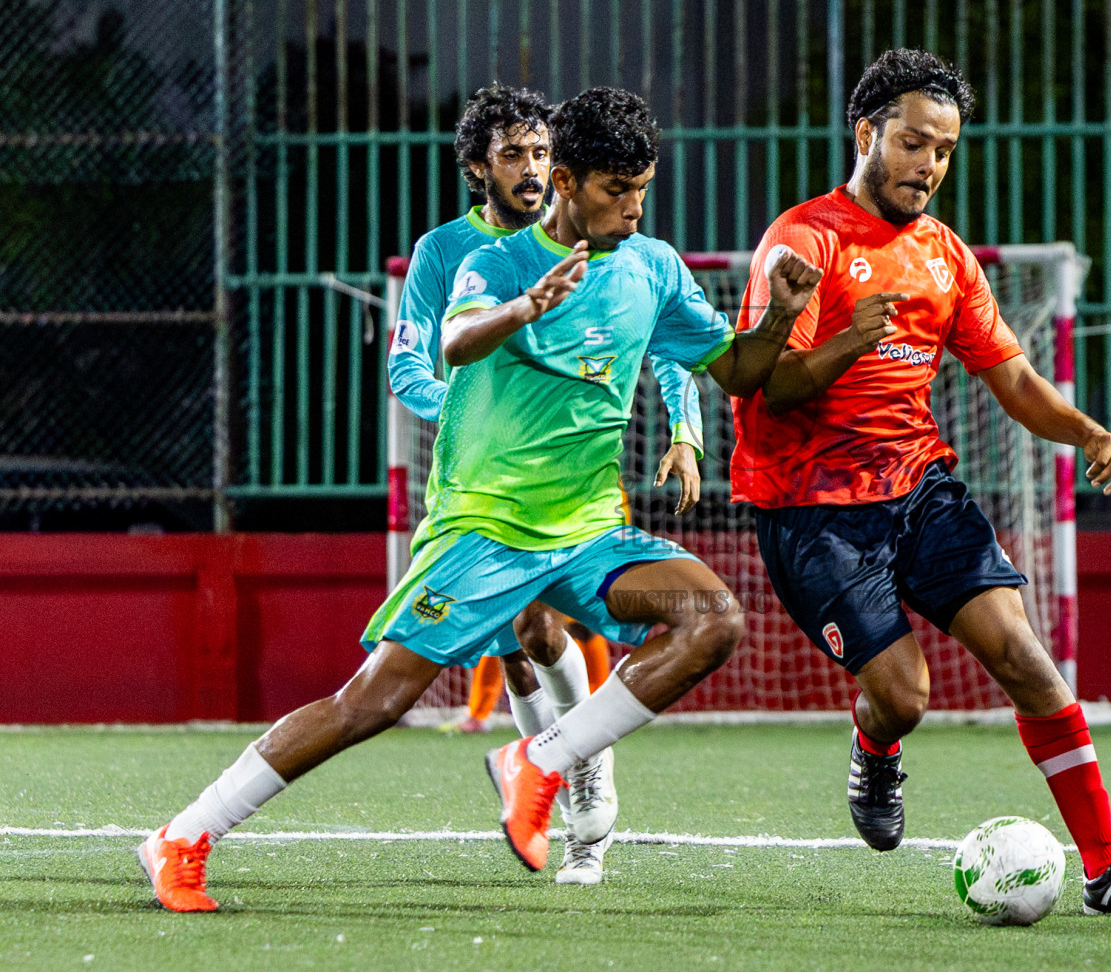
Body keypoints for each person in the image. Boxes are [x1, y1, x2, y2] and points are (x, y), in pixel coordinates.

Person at [137, 87, 821, 912]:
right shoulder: (491, 261)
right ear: (566, 183)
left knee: (713, 618)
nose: (634, 208)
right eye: (616, 190)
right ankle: (183, 835)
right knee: (374, 701)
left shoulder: (654, 265)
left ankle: (541, 760)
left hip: (589, 531)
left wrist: (779, 320)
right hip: (486, 527)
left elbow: (740, 371)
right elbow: (455, 342)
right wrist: (525, 307)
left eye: (643, 189)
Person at [729, 48, 1111, 916]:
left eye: (943, 149)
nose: (929, 165)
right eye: (913, 143)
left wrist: (1091, 433)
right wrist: (850, 341)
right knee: (905, 697)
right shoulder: (804, 241)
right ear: (866, 136)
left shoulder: (946, 257)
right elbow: (768, 389)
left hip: (919, 487)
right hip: (815, 510)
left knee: (1025, 657)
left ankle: (1104, 871)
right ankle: (876, 745)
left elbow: (1012, 379)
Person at [388, 83, 701, 883]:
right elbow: (409, 363)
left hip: (571, 483)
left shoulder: (600, 244)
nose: (529, 168)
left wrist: (685, 428)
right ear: (477, 169)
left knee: (543, 625)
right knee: (522, 645)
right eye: (511, 155)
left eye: (540, 152)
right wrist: (480, 411)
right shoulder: (446, 253)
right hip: (479, 484)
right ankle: (560, 774)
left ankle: (578, 772)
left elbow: (666, 336)